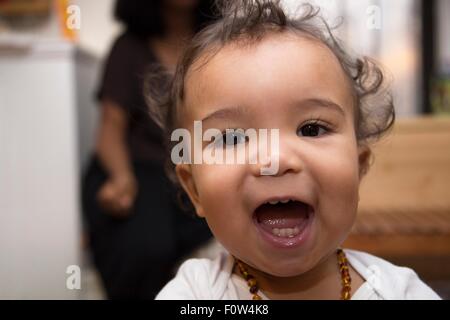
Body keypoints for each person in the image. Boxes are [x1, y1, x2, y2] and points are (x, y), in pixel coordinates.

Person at [150, 0, 441, 299]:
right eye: (233, 139)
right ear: (194, 189)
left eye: (311, 129)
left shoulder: (400, 292)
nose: (276, 159)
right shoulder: (196, 295)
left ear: (359, 165)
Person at [81, 0, 216, 299]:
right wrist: (121, 177)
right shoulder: (128, 47)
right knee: (148, 246)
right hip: (139, 169)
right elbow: (109, 129)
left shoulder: (218, 45)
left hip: (197, 168)